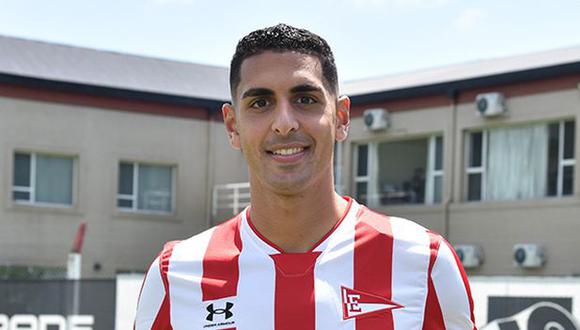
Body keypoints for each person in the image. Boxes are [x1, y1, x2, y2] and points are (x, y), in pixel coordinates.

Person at [135, 24, 477, 330]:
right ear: (232, 125)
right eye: (260, 103)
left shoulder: (424, 262)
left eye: (305, 99)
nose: (284, 122)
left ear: (341, 117)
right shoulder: (175, 276)